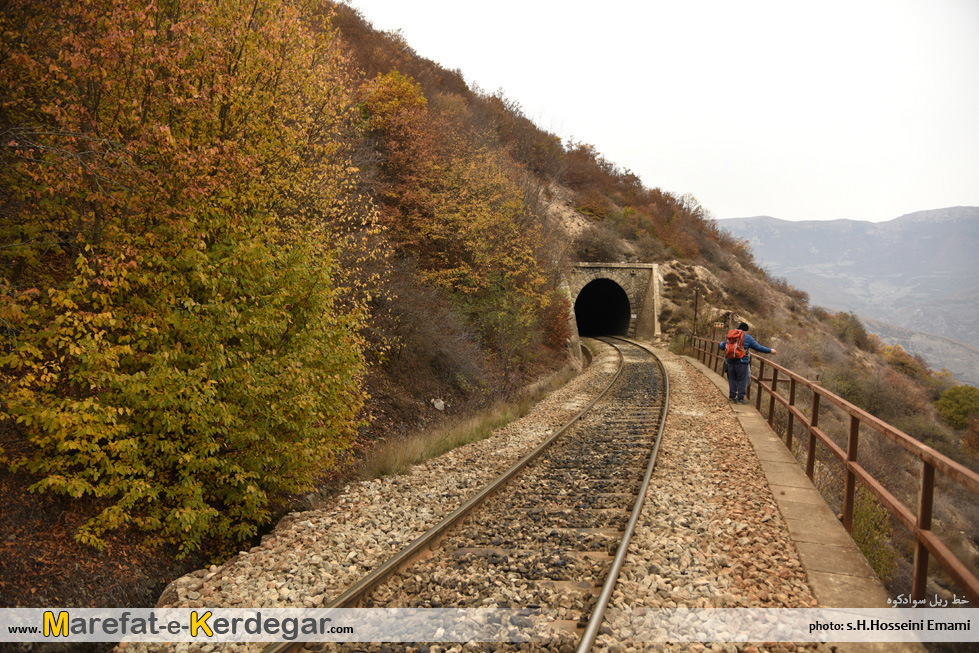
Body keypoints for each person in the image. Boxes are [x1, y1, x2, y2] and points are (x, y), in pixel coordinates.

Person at [718, 322, 777, 404]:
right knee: (742, 380)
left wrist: (723, 342)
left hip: (730, 361)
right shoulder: (747, 338)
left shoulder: (730, 336)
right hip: (742, 362)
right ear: (746, 330)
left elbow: (721, 346)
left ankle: (732, 397)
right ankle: (740, 398)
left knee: (732, 379)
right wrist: (770, 350)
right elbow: (758, 347)